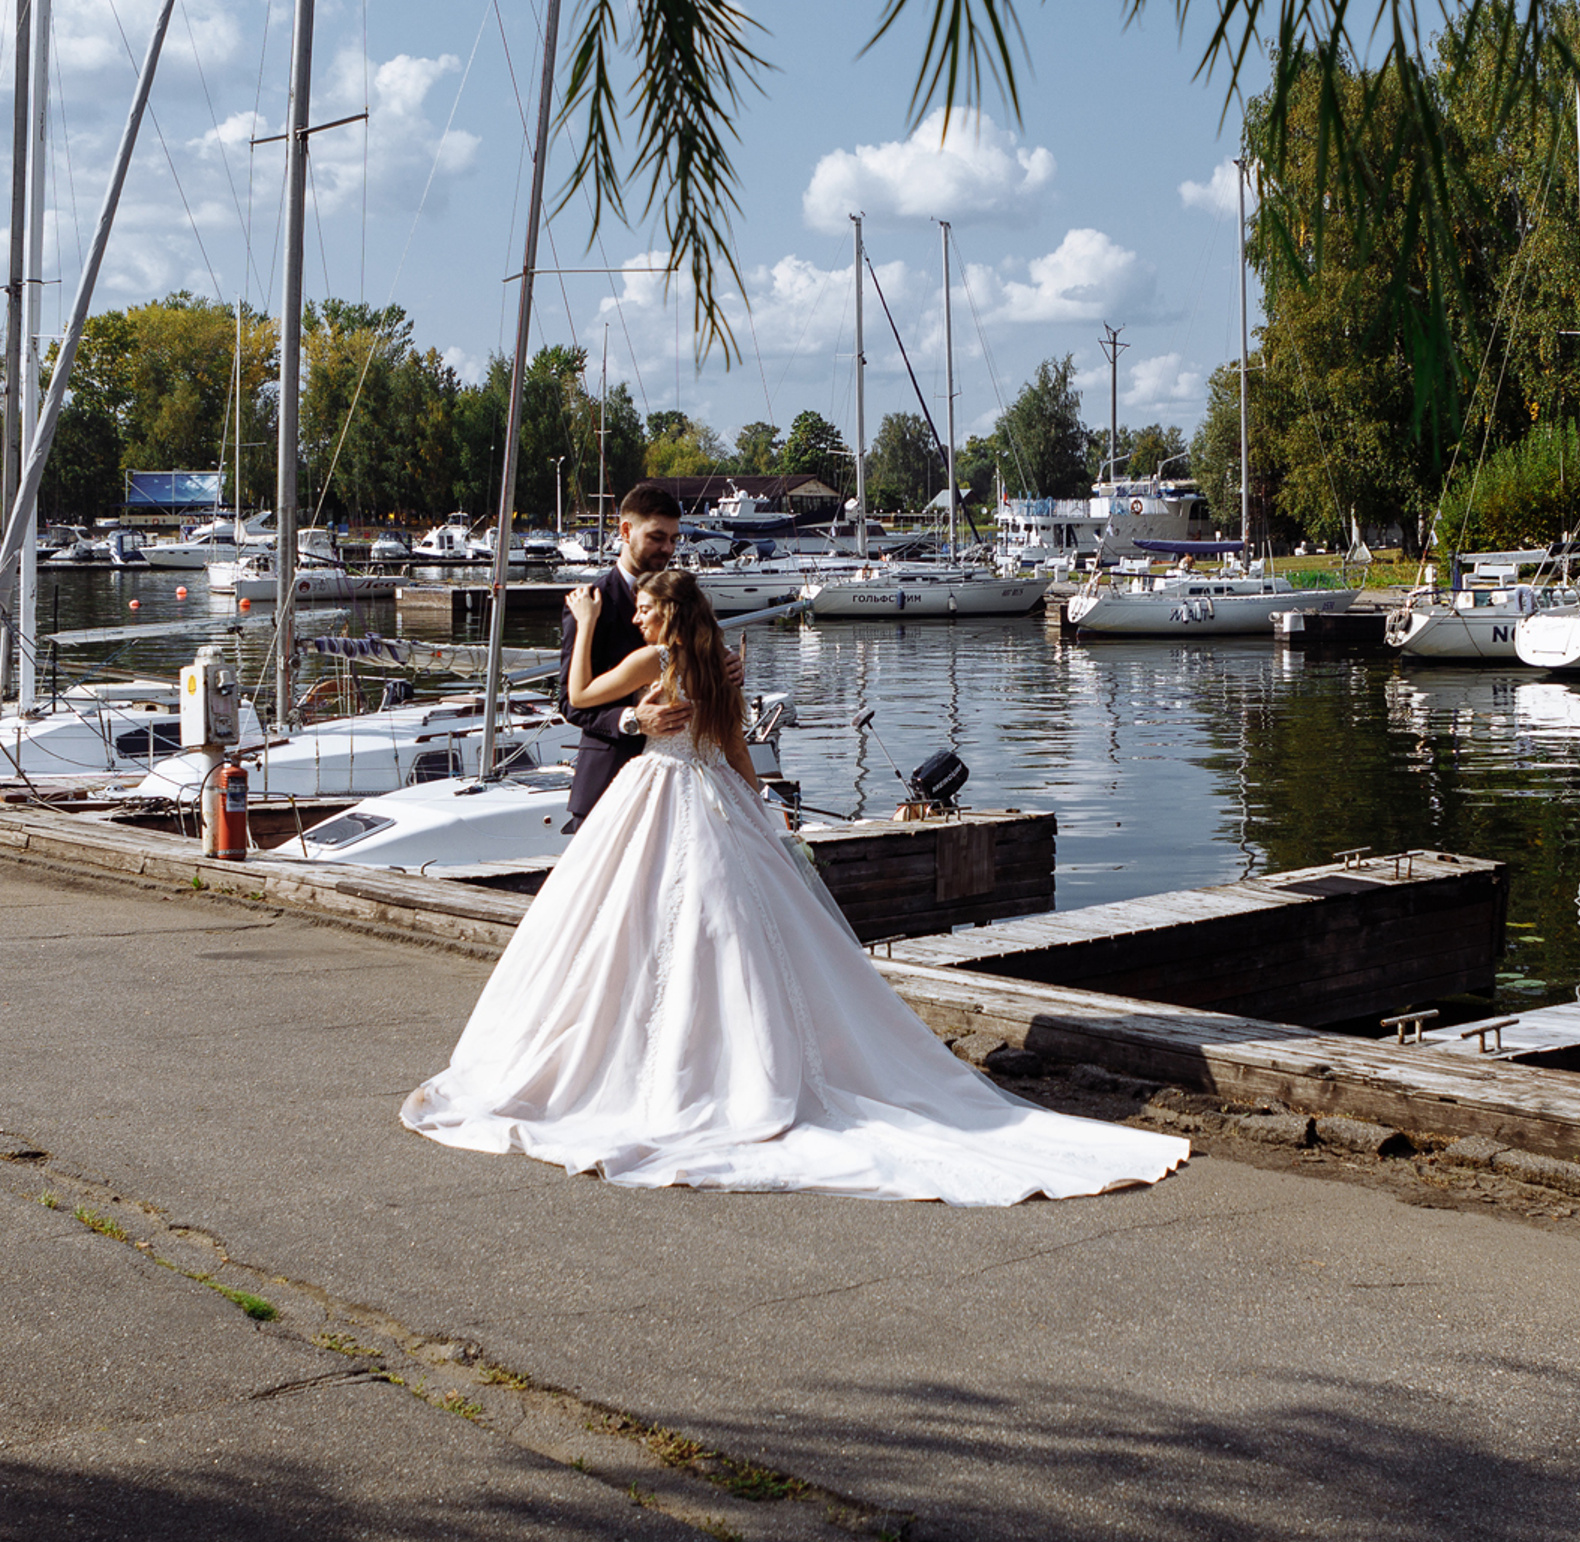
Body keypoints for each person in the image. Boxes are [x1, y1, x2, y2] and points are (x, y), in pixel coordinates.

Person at [401, 565, 1190, 1203]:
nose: (636, 619)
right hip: (715, 799)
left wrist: (579, 625)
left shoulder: (655, 660)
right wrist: (766, 813)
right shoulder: (719, 663)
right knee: (734, 935)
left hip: (659, 795)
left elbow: (577, 697)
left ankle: (669, 1067)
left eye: (644, 609)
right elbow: (738, 751)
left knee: (636, 931)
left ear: (666, 616)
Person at [556, 484, 691, 834]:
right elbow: (570, 704)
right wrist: (633, 719)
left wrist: (723, 663)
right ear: (626, 531)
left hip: (677, 790)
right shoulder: (589, 604)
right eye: (657, 537)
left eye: (674, 539)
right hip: (609, 783)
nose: (667, 549)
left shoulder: (682, 600)